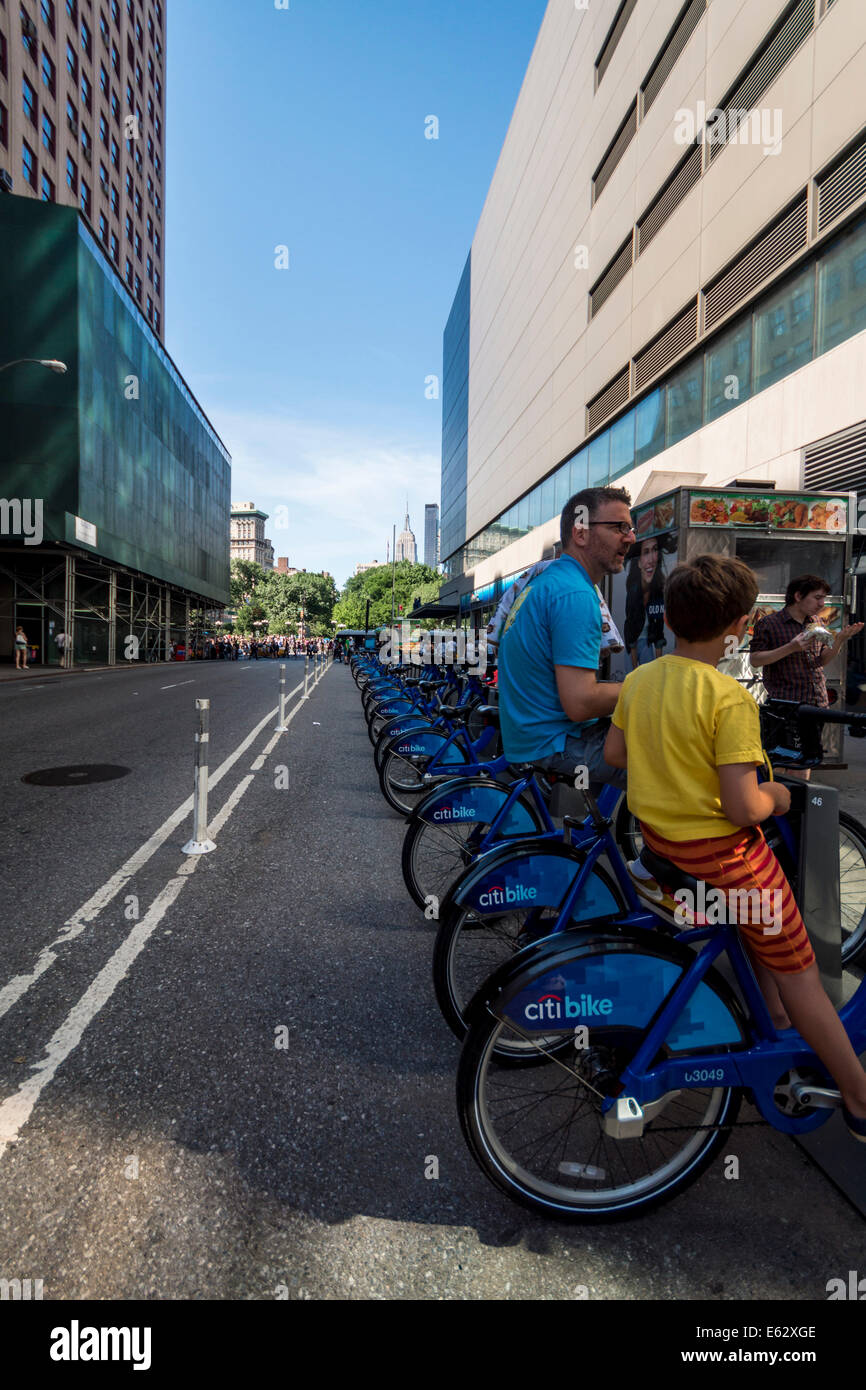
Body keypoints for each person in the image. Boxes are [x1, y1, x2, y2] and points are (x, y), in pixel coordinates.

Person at [603, 553, 866, 1142]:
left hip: (664, 851)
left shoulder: (641, 680)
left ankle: (773, 1022)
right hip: (729, 862)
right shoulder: (729, 699)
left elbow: (616, 756)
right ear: (741, 629)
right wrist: (778, 794)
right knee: (802, 972)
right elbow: (744, 806)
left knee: (760, 949)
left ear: (667, 619)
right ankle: (858, 1094)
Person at [496, 486, 634, 788]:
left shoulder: (548, 582)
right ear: (581, 533)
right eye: (619, 527)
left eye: (630, 527)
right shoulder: (574, 595)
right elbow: (581, 703)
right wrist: (646, 686)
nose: (631, 537)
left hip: (532, 736)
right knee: (675, 768)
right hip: (557, 742)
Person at [749, 574, 864, 777]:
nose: (821, 604)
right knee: (781, 761)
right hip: (787, 704)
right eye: (817, 598)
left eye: (824, 599)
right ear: (798, 596)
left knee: (806, 761)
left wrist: (840, 640)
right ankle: (778, 803)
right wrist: (791, 647)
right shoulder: (769, 623)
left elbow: (821, 660)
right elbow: (756, 660)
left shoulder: (817, 621)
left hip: (816, 703)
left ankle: (801, 803)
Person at [624, 535, 668, 667]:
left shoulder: (658, 592)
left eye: (655, 550)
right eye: (646, 552)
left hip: (647, 643)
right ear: (638, 562)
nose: (651, 560)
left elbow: (659, 631)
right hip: (632, 645)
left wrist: (658, 669)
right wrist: (634, 669)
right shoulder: (633, 593)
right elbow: (631, 632)